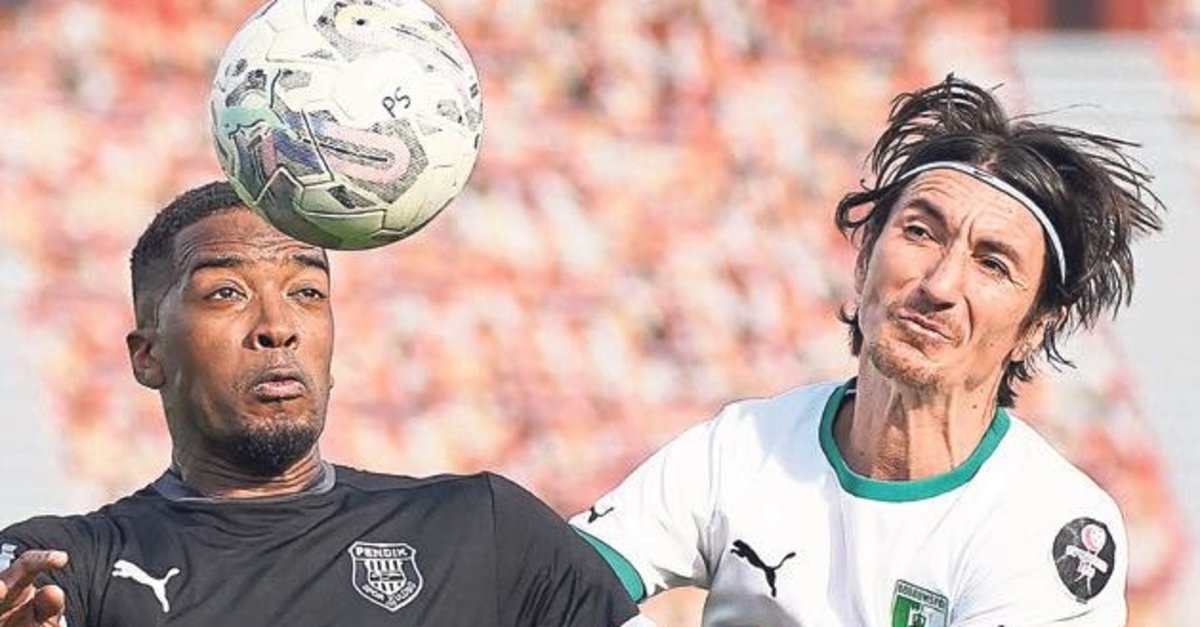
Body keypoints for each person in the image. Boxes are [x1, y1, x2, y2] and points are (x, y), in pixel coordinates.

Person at [570, 75, 1165, 626]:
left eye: (991, 263)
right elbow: (557, 582)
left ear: (1034, 327)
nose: (939, 284)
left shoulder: (1054, 526)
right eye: (920, 232)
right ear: (864, 258)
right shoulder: (745, 445)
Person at [0, 182, 645, 626]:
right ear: (148, 356)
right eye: (226, 293)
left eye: (307, 292)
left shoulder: (486, 531)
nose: (277, 325)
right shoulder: (70, 566)